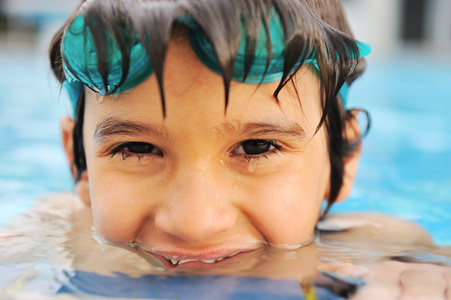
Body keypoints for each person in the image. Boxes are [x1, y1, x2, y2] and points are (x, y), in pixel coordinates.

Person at [47, 0, 451, 298]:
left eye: (257, 147)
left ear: (342, 158)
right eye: (137, 147)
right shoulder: (49, 242)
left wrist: (410, 261)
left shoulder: (379, 249)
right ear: (77, 163)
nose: (193, 223)